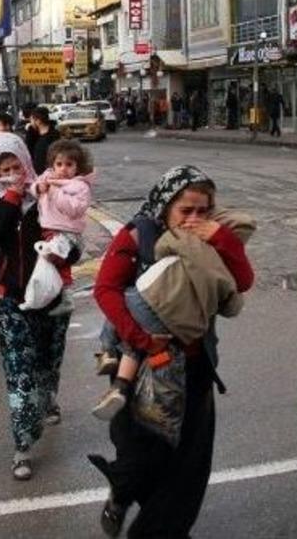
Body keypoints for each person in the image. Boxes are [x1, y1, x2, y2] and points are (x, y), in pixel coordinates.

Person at [88, 166, 253, 538]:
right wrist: (143, 339)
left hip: (195, 368)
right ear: (165, 207)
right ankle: (125, 491)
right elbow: (106, 291)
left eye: (204, 210)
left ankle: (163, 530)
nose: (195, 220)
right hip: (147, 366)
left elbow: (241, 282)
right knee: (145, 457)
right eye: (186, 210)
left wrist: (222, 238)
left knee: (189, 468)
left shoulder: (211, 241)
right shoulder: (138, 235)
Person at [0, 133, 78, 481]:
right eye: (4, 169)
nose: (12, 173)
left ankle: (49, 397)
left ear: (26, 164)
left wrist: (62, 249)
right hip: (12, 299)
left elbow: (75, 238)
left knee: (48, 361)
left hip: (52, 297)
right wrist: (10, 198)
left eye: (16, 167)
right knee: (20, 372)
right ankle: (22, 447)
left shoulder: (48, 192)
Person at [22, 139, 95, 316]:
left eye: (69, 165)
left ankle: (64, 297)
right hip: (48, 228)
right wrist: (39, 187)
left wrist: (55, 192)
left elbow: (74, 209)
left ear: (78, 166)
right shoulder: (48, 176)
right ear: (52, 164)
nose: (63, 169)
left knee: (54, 261)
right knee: (51, 265)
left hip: (66, 232)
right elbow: (32, 188)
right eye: (59, 164)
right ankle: (42, 298)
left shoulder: (80, 186)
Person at [28, 106, 61, 174]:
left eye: (31, 120)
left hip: (49, 172)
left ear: (38, 120)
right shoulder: (33, 134)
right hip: (36, 173)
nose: (30, 122)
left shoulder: (53, 135)